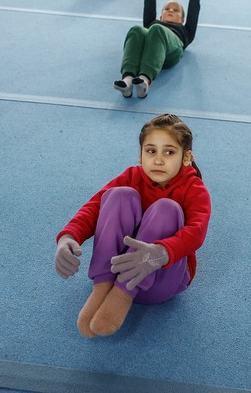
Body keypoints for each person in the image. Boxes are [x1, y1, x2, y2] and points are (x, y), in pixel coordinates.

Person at [54, 113, 211, 337]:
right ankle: (102, 287)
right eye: (151, 151)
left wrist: (162, 252)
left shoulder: (194, 188)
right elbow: (95, 206)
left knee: (167, 209)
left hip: (159, 282)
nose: (158, 160)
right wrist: (68, 237)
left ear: (186, 158)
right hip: (115, 269)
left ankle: (122, 295)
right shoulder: (132, 175)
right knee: (118, 195)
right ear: (140, 155)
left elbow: (197, 232)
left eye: (169, 152)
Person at [113, 0, 204, 99]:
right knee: (137, 30)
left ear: (182, 19)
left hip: (171, 53)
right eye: (166, 8)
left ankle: (145, 81)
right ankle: (127, 81)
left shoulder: (186, 31)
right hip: (151, 45)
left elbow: (195, 2)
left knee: (155, 30)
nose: (170, 10)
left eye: (175, 10)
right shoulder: (152, 22)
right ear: (160, 14)